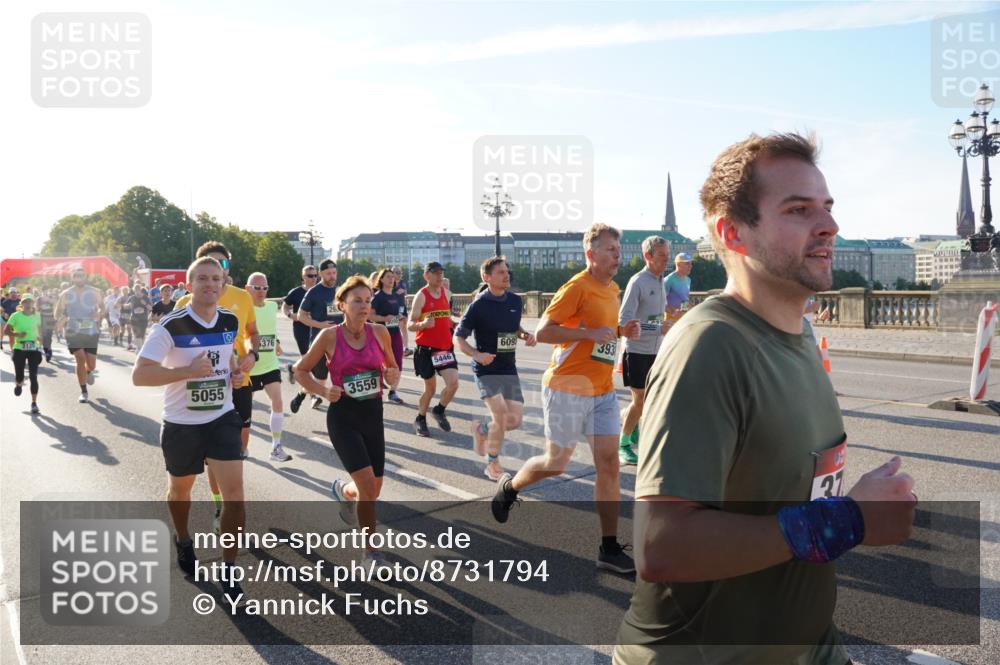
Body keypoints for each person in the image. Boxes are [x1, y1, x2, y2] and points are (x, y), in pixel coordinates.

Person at [614, 132, 917, 665]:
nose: (829, 226)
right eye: (799, 210)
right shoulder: (710, 346)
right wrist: (848, 521)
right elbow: (660, 547)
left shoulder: (798, 336)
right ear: (734, 233)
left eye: (826, 207)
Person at [490, 223, 640, 574]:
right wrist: (588, 334)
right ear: (591, 254)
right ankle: (510, 487)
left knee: (609, 465)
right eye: (610, 250)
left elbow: (603, 333)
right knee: (557, 463)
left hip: (601, 390)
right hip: (567, 387)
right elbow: (543, 332)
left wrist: (621, 331)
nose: (617, 255)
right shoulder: (576, 287)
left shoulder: (613, 288)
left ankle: (608, 547)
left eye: (618, 249)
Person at [132, 256, 246, 603]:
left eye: (216, 279)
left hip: (222, 417)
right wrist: (186, 373)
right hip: (182, 423)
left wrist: (235, 372)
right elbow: (140, 375)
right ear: (189, 284)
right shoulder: (170, 325)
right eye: (202, 279)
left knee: (235, 498)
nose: (210, 284)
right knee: (180, 492)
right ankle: (183, 538)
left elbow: (226, 357)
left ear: (223, 284)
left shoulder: (230, 319)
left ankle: (228, 570)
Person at [293, 275, 399, 569]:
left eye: (368, 301)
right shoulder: (329, 336)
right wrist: (323, 390)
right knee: (368, 485)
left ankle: (343, 490)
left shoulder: (380, 332)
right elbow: (299, 371)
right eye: (357, 301)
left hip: (372, 414)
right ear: (341, 304)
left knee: (372, 489)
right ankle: (370, 552)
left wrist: (393, 377)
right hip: (343, 416)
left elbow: (392, 367)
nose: (365, 306)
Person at [174, 242, 259, 533]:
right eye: (209, 266)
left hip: (238, 380)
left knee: (241, 446)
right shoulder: (184, 303)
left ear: (227, 268)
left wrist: (252, 354)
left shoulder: (242, 297)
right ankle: (221, 502)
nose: (217, 272)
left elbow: (252, 333)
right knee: (218, 454)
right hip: (201, 386)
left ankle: (229, 498)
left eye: (222, 265)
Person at [454, 256, 536, 480]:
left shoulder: (515, 301)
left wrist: (525, 335)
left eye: (507, 271)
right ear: (486, 277)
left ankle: (482, 431)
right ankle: (492, 464)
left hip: (508, 368)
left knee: (514, 420)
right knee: (500, 415)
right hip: (486, 369)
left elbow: (514, 327)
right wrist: (476, 354)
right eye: (500, 272)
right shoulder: (478, 305)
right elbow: (459, 338)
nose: (506, 275)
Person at [617, 236, 671, 466]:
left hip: (656, 351)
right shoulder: (637, 282)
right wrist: (657, 328)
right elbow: (625, 321)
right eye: (662, 256)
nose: (667, 260)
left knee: (648, 400)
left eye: (668, 255)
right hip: (637, 351)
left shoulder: (660, 281)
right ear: (647, 256)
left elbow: (656, 314)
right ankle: (624, 445)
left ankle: (630, 420)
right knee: (640, 401)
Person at [407, 261, 460, 437]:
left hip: (444, 348)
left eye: (441, 273)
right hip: (426, 349)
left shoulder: (446, 293)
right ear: (426, 275)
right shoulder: (421, 296)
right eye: (436, 273)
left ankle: (439, 410)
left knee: (453, 384)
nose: (440, 276)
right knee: (430, 389)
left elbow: (446, 318)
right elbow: (410, 324)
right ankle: (420, 419)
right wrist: (422, 324)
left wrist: (456, 324)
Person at [246, 272, 292, 462]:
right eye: (257, 288)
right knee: (244, 409)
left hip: (270, 364)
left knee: (278, 402)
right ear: (248, 289)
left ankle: (276, 447)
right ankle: (242, 446)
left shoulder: (273, 306)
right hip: (249, 366)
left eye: (265, 288)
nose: (261, 291)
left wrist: (277, 342)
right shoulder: (243, 309)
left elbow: (269, 329)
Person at [292, 259, 342, 413]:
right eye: (328, 274)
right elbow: (301, 316)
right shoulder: (313, 292)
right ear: (321, 274)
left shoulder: (340, 291)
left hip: (339, 341)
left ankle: (343, 408)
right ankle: (301, 394)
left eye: (334, 273)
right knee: (320, 380)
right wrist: (322, 326)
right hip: (319, 341)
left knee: (343, 376)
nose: (332, 276)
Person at [55, 267, 106, 403]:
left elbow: (102, 306)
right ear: (72, 278)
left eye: (81, 275)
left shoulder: (94, 291)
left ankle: (89, 371)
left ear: (85, 277)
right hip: (73, 330)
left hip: (91, 330)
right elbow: (58, 311)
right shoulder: (66, 293)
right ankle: (84, 391)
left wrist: (99, 314)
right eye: (76, 276)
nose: (79, 278)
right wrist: (61, 318)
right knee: (80, 359)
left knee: (92, 365)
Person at [369, 267, 407, 405]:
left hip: (395, 333)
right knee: (379, 363)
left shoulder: (396, 296)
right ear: (381, 279)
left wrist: (400, 318)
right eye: (388, 277)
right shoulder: (378, 297)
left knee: (398, 362)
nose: (392, 279)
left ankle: (393, 392)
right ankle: (375, 389)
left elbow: (398, 314)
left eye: (393, 277)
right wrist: (384, 318)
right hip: (380, 334)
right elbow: (370, 315)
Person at [3, 293, 43, 414]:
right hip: (19, 347)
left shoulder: (37, 316)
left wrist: (40, 337)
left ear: (33, 303)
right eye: (25, 302)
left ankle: (34, 403)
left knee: (33, 376)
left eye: (30, 302)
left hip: (33, 348)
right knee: (20, 375)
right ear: (22, 304)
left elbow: (40, 329)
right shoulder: (16, 316)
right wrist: (17, 335)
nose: (27, 304)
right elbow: (6, 331)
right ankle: (19, 384)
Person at [282, 265, 318, 380]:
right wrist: (290, 315)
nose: (313, 278)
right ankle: (312, 394)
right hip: (301, 328)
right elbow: (285, 306)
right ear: (303, 277)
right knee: (307, 358)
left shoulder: (320, 291)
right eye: (310, 275)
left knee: (314, 358)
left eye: (315, 275)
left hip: (317, 328)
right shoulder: (296, 292)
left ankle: (292, 368)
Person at [663, 252, 693, 328]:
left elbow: (684, 298)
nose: (690, 266)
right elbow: (659, 302)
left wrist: (684, 310)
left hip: (683, 319)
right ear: (678, 264)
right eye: (687, 263)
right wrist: (673, 311)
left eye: (691, 263)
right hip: (670, 321)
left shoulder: (688, 280)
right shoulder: (668, 280)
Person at [393, 266, 413, 357]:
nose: (399, 274)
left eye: (400, 272)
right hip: (392, 309)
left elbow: (406, 292)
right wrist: (395, 293)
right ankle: (395, 348)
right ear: (392, 273)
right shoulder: (389, 283)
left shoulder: (402, 282)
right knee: (393, 328)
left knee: (403, 327)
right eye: (396, 272)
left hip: (402, 308)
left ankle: (405, 348)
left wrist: (404, 292)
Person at [37, 288, 57, 362]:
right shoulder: (39, 299)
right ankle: (46, 350)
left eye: (46, 290)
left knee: (49, 336)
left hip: (50, 319)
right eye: (43, 291)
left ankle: (49, 349)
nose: (45, 292)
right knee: (43, 336)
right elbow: (37, 308)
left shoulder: (51, 298)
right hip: (42, 319)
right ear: (41, 291)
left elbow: (55, 305)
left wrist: (49, 299)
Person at [129, 286, 152, 352]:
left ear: (140, 290)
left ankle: (141, 347)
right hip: (134, 318)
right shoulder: (132, 298)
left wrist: (145, 304)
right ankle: (139, 348)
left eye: (138, 289)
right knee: (137, 333)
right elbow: (127, 306)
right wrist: (125, 306)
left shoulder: (145, 297)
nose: (137, 291)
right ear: (134, 290)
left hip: (143, 318)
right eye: (135, 290)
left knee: (142, 333)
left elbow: (150, 308)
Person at [1, 287, 20, 351]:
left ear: (16, 293)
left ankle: (19, 349)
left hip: (19, 322)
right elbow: (1, 310)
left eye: (14, 292)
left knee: (19, 336)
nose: (13, 294)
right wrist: (4, 314)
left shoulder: (20, 301)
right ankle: (13, 350)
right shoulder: (6, 302)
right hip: (10, 322)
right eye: (11, 292)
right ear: (9, 294)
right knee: (11, 337)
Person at [117, 285, 134, 350]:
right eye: (124, 290)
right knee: (123, 330)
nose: (125, 291)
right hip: (122, 315)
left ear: (128, 291)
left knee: (129, 329)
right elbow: (116, 305)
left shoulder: (131, 298)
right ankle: (121, 341)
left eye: (126, 290)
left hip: (129, 315)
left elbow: (133, 305)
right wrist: (122, 305)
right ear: (122, 291)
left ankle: (129, 344)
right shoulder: (120, 298)